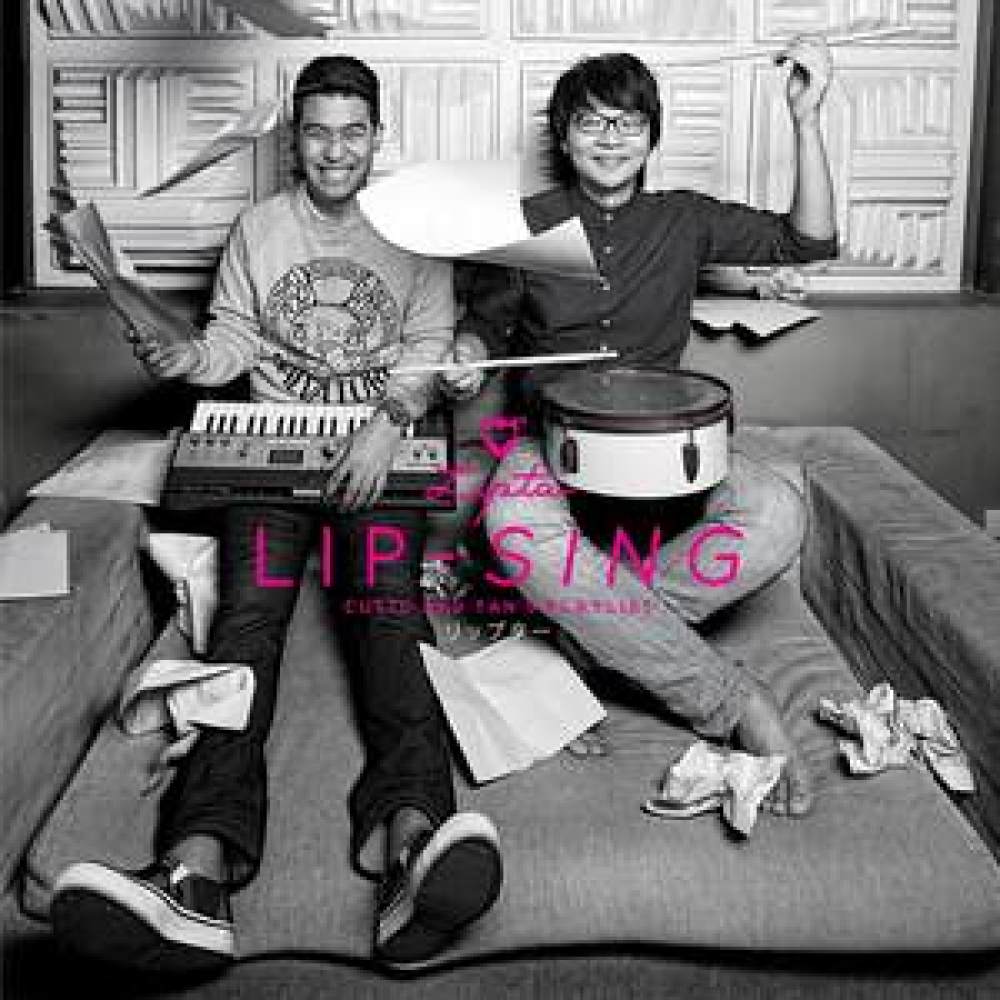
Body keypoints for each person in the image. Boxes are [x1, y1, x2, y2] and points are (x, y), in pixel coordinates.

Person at [50, 55, 499, 974]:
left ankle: (415, 844)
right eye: (318, 133)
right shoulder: (258, 228)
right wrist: (187, 360)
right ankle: (194, 876)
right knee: (246, 625)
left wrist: (389, 424)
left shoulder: (416, 233)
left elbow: (426, 347)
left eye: (353, 132)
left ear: (378, 137)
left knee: (388, 613)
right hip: (268, 452)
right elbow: (232, 340)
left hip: (381, 451)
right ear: (295, 139)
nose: (335, 151)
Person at [451, 44, 838, 812]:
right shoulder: (525, 224)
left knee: (777, 511)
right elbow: (485, 329)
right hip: (550, 441)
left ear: (651, 136)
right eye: (591, 122)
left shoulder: (683, 219)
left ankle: (580, 643)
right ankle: (734, 702)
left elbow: (811, 243)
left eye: (628, 122)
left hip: (664, 452)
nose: (610, 138)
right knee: (513, 522)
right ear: (564, 138)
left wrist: (806, 118)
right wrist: (465, 353)